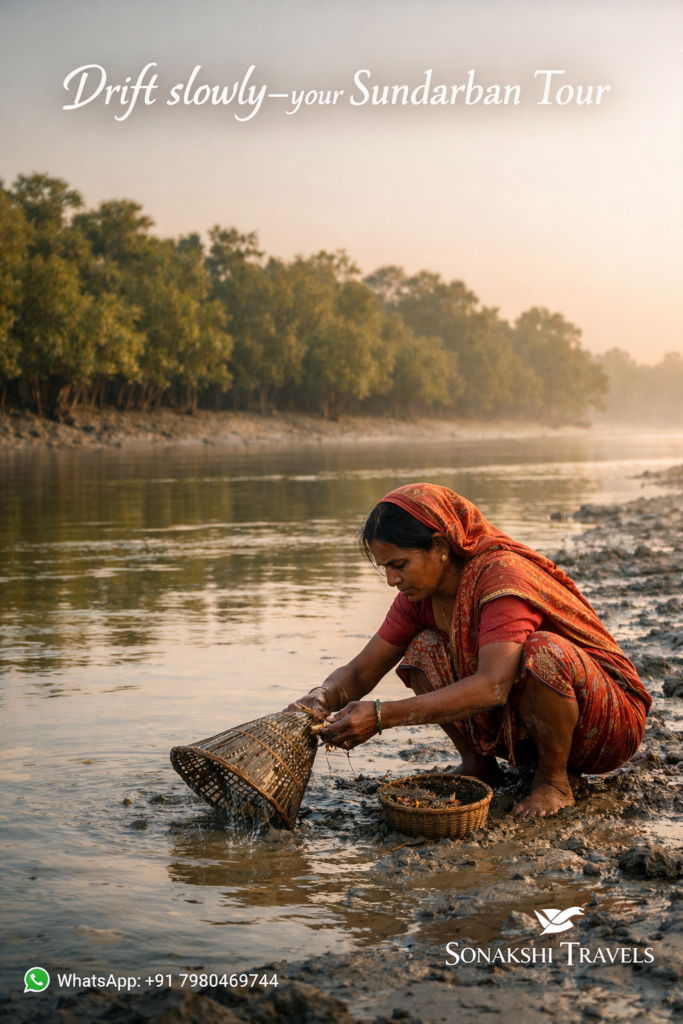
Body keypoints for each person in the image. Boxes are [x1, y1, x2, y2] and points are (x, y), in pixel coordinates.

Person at [286, 484, 651, 818]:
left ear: (441, 547)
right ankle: (478, 764)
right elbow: (362, 672)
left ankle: (554, 781)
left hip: (604, 726)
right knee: (422, 649)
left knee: (543, 651)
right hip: (528, 731)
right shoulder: (419, 596)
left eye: (399, 565)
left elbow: (493, 686)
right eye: (386, 568)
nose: (391, 580)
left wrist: (382, 716)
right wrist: (317, 699)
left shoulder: (501, 577)